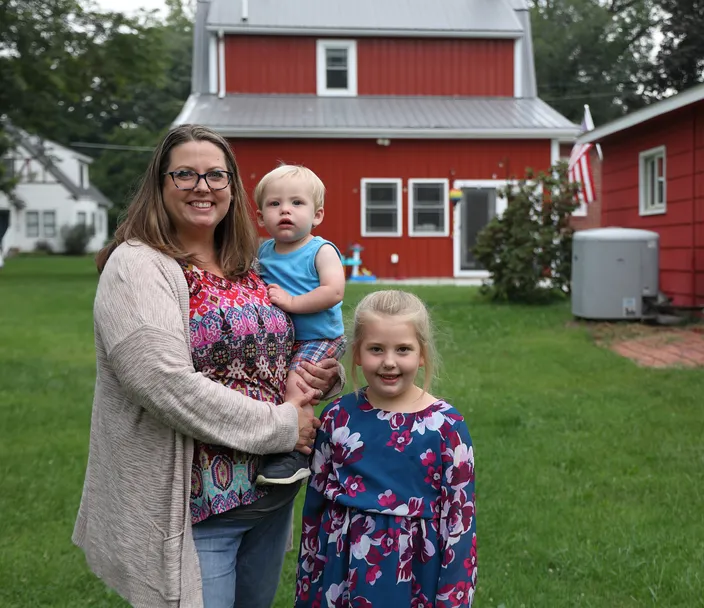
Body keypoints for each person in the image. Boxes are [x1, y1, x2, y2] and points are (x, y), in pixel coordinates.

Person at [72, 124, 345, 608]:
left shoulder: (245, 262)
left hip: (268, 501)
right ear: (159, 185)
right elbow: (164, 384)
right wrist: (284, 426)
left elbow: (278, 345)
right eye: (185, 174)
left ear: (232, 189)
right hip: (198, 511)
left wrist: (321, 375)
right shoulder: (139, 265)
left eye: (216, 175)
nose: (203, 186)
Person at [294, 290, 477, 607]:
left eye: (403, 349)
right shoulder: (338, 418)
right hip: (343, 570)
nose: (389, 362)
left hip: (416, 574)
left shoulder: (446, 427)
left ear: (422, 355)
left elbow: (459, 523)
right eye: (376, 349)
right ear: (356, 354)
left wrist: (453, 599)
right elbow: (314, 511)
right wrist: (309, 585)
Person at [252, 165, 346, 486]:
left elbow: (333, 291)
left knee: (297, 386)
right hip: (290, 339)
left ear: (317, 215)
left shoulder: (320, 250)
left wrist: (291, 303)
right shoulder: (264, 251)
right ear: (261, 216)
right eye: (274, 204)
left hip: (319, 335)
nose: (285, 210)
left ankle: (297, 451)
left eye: (297, 203)